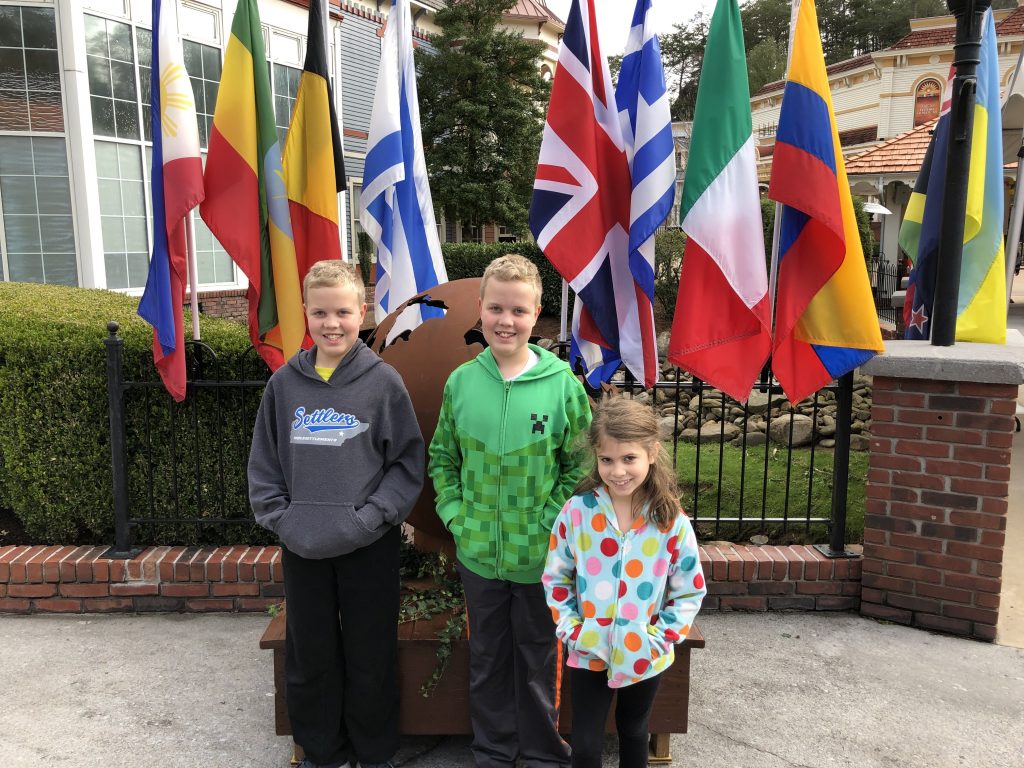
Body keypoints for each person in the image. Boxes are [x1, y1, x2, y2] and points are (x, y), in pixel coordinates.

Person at [248, 260, 424, 768]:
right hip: (303, 543)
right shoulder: (284, 385)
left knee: (370, 652)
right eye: (320, 312)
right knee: (312, 653)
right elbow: (264, 461)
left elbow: (407, 463)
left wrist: (371, 518)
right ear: (305, 313)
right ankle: (321, 752)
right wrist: (282, 518)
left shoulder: (383, 382)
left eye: (343, 312)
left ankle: (373, 751)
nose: (332, 323)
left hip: (369, 542)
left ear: (361, 312)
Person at [428, 254, 592, 768]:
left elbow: (581, 464)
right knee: (487, 659)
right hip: (478, 556)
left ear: (537, 312)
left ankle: (543, 754)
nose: (506, 320)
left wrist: (548, 523)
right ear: (479, 310)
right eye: (496, 308)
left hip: (540, 560)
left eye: (518, 311)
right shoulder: (461, 383)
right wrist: (456, 516)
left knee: (539, 661)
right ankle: (494, 751)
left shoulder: (561, 384)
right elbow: (442, 458)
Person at [543, 397, 706, 768]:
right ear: (597, 458)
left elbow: (689, 588)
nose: (618, 471)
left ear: (652, 453)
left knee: (634, 732)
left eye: (629, 458)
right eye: (607, 460)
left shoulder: (670, 520)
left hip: (645, 653)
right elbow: (556, 576)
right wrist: (572, 630)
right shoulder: (577, 512)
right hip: (588, 650)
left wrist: (659, 638)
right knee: (584, 745)